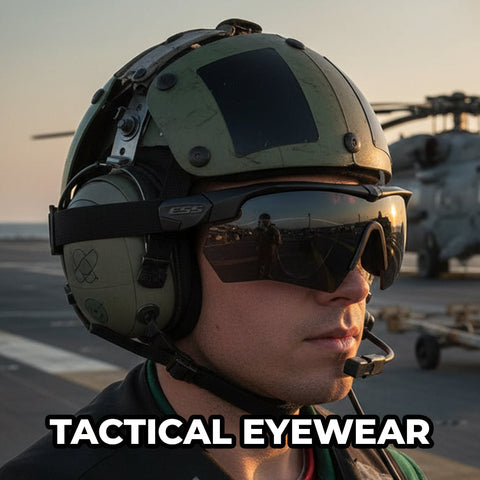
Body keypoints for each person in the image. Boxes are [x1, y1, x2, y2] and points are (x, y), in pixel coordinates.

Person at [0, 19, 427, 480]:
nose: (356, 287)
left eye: (376, 235)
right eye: (299, 242)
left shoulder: (394, 472)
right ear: (136, 261)